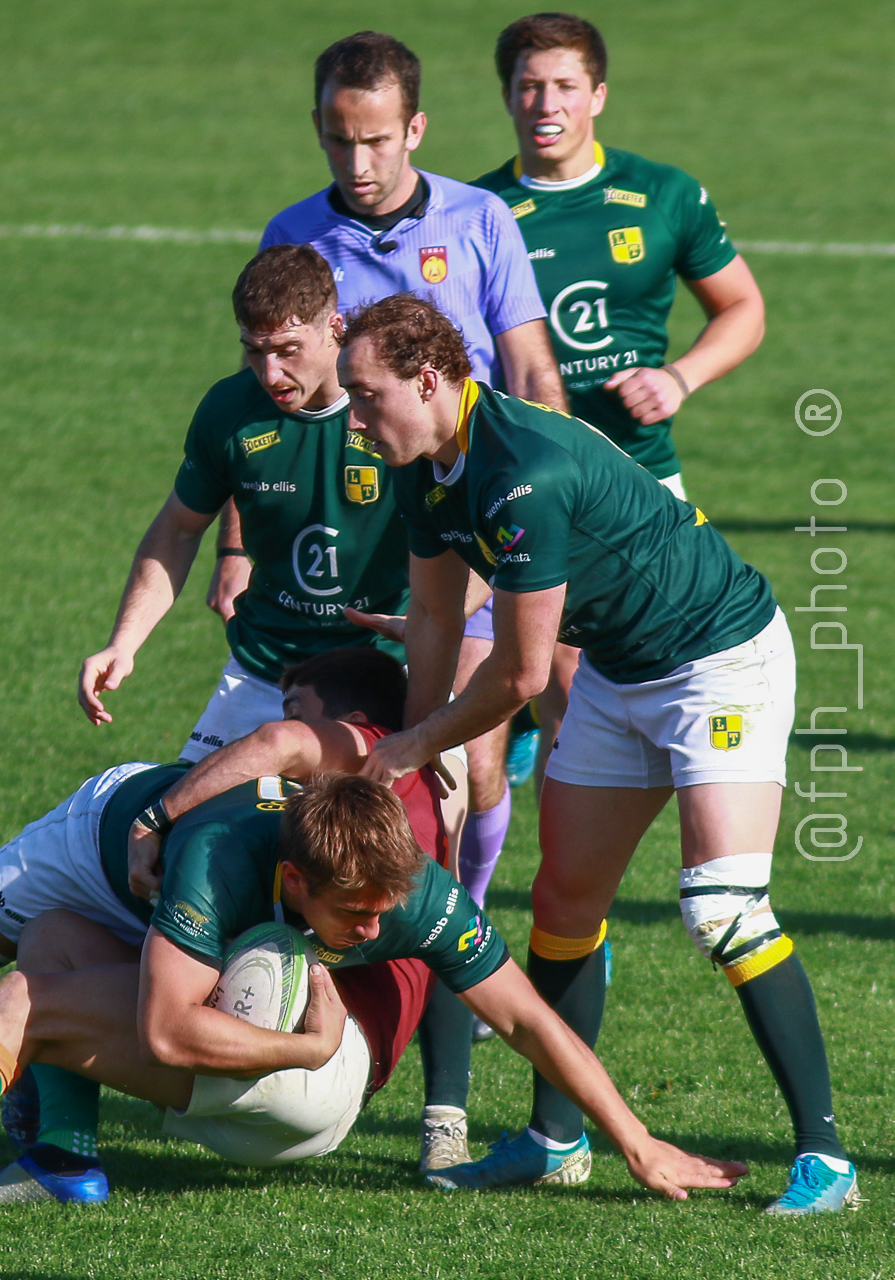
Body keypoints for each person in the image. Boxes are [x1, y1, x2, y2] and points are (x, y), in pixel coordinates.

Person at [336, 293, 858, 1215]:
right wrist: (410, 767)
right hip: (622, 670)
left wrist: (413, 744)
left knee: (723, 909)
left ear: (427, 380)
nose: (356, 419)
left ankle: (826, 1161)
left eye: (367, 395)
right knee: (564, 901)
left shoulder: (519, 471)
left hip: (718, 662)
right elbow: (430, 615)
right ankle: (554, 1138)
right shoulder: (426, 464)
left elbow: (522, 673)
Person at [0, 773, 748, 1215]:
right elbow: (165, 1024)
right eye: (353, 919)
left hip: (309, 1096)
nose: (376, 934)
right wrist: (292, 1040)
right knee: (55, 934)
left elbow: (524, 1014)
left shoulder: (400, 887)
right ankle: (64, 1167)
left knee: (27, 999)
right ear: (292, 878)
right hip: (279, 1055)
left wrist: (635, 1139)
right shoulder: (218, 856)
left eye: (385, 914)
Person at [0, 649, 453, 1201]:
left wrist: (163, 818)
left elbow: (275, 746)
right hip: (93, 848)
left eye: (297, 704)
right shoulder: (344, 819)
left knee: (32, 995)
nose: (284, 719)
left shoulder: (351, 829)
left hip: (184, 892)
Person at [75, 243, 481, 1170]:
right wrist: (126, 639)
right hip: (263, 676)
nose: (272, 372)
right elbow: (177, 528)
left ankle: (443, 1116)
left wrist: (433, 708)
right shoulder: (233, 411)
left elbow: (477, 560)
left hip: (378, 682)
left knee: (425, 876)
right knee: (177, 860)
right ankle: (150, 1082)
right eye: (255, 350)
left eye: (290, 348)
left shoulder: (398, 411)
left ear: (336, 327)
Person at [250, 29, 567, 883]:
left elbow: (532, 367)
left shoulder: (479, 219)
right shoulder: (295, 235)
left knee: (471, 760)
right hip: (351, 539)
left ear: (415, 129)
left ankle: (458, 944)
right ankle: (344, 937)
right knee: (341, 752)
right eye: (338, 138)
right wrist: (240, 544)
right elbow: (269, 394)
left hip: (470, 522)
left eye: (377, 140)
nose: (357, 161)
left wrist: (552, 489)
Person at [471, 12, 767, 786]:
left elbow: (742, 308)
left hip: (643, 475)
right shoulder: (477, 213)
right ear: (506, 96)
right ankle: (571, 853)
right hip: (530, 480)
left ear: (597, 94)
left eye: (565, 86)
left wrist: (679, 378)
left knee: (655, 664)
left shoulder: (664, 194)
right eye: (529, 87)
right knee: (565, 675)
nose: (546, 104)